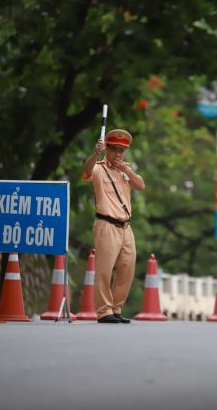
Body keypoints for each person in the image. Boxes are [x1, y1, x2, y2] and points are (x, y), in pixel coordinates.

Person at [82, 129, 145, 324]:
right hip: (106, 224)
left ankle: (116, 308)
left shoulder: (126, 170)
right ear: (107, 149)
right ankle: (104, 311)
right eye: (114, 149)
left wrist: (128, 171)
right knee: (105, 270)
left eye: (122, 150)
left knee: (127, 267)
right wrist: (96, 153)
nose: (118, 154)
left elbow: (141, 185)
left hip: (126, 227)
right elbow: (86, 171)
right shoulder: (99, 168)